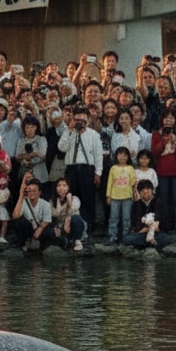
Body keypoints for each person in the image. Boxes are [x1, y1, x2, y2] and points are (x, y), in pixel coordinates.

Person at [56, 106, 103, 234]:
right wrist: (69, 131)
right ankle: (71, 226)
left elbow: (98, 155)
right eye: (77, 119)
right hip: (71, 169)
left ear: (87, 120)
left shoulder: (93, 135)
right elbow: (61, 148)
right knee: (71, 197)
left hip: (87, 169)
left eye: (82, 119)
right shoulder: (69, 132)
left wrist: (98, 173)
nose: (79, 122)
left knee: (88, 199)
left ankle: (88, 227)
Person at [104, 145, 137, 245]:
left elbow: (134, 182)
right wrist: (108, 196)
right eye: (120, 155)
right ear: (116, 156)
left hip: (127, 197)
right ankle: (112, 237)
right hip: (114, 197)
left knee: (126, 218)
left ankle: (125, 237)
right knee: (114, 218)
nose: (122, 157)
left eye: (125, 155)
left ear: (128, 157)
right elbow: (109, 183)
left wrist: (135, 193)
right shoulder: (113, 168)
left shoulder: (131, 168)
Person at [10, 173, 52, 251]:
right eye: (29, 191)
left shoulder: (45, 204)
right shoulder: (24, 201)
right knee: (19, 222)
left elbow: (47, 220)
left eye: (34, 191)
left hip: (40, 229)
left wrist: (40, 229)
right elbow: (15, 216)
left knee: (48, 232)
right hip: (29, 229)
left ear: (39, 192)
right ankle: (24, 243)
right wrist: (21, 194)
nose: (31, 193)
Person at [49, 177, 85, 251]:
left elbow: (72, 211)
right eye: (59, 185)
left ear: (69, 188)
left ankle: (77, 241)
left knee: (76, 218)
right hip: (60, 227)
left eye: (64, 185)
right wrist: (66, 204)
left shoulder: (75, 199)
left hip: (72, 226)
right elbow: (55, 214)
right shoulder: (52, 201)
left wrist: (69, 202)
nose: (61, 188)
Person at [125, 179, 164, 248]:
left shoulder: (158, 202)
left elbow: (160, 220)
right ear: (139, 193)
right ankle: (148, 243)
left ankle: (146, 244)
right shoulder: (136, 204)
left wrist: (150, 228)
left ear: (152, 190)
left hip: (156, 232)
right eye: (142, 192)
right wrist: (142, 229)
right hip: (141, 233)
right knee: (127, 239)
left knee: (162, 238)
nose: (145, 194)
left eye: (148, 191)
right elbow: (135, 221)